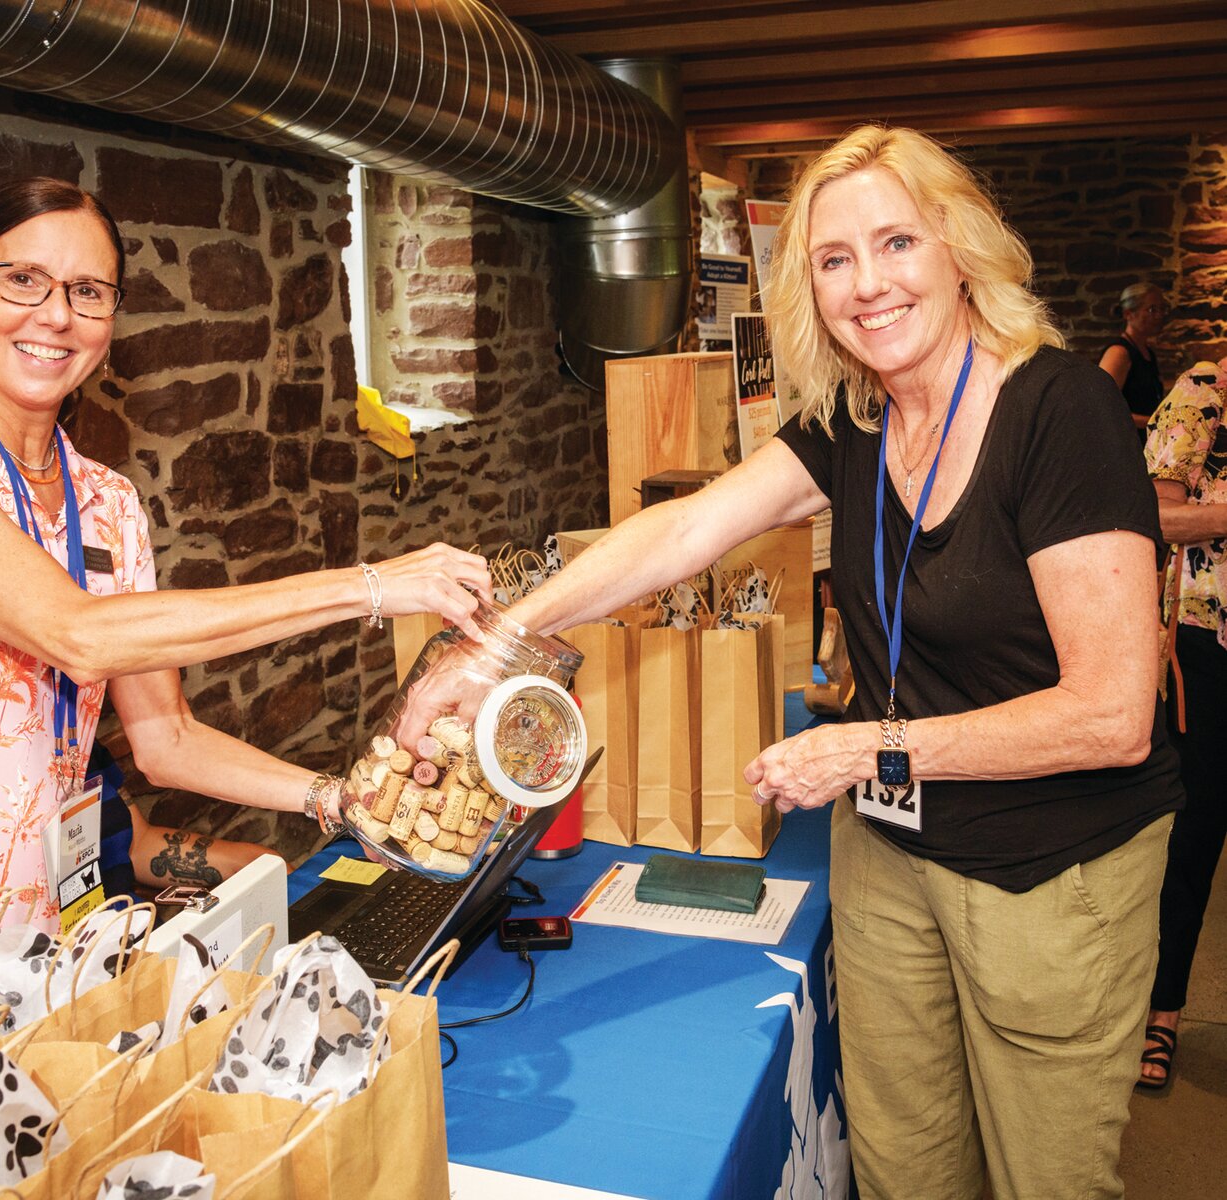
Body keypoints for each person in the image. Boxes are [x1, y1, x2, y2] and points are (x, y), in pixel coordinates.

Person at [493, 127, 1181, 1199]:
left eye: (896, 242)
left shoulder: (1062, 413)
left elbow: (1112, 714)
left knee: (1046, 1175)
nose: (869, 285)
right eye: (833, 259)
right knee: (905, 1166)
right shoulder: (849, 421)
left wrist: (872, 745)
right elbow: (683, 534)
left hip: (1053, 870)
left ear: (960, 248)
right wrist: (499, 638)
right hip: (894, 850)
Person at [0, 176, 490, 931]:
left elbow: (166, 740)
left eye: (88, 292)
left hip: (13, 921)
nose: (57, 315)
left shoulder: (109, 504)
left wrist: (338, 798)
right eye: (22, 279)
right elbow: (79, 635)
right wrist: (368, 586)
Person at [1138, 358, 1227, 1089]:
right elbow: (1155, 516)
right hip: (1206, 654)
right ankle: (1160, 1014)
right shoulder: (1200, 397)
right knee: (1193, 844)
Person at [1099, 281, 1168, 432]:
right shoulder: (1119, 352)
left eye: (1162, 309)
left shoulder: (1147, 351)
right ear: (1129, 314)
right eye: (1152, 309)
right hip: (1127, 442)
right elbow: (1102, 406)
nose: (1159, 315)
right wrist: (1156, 421)